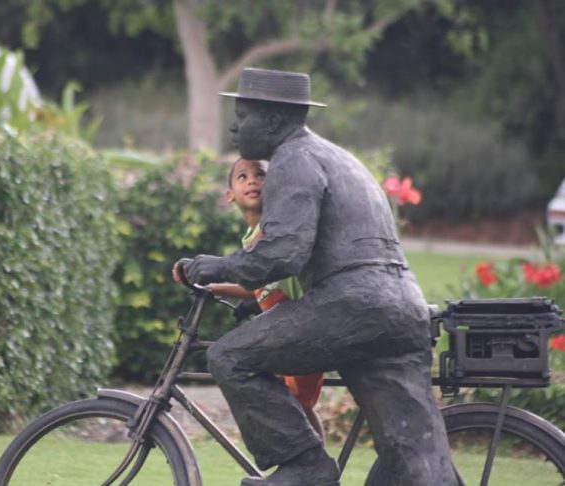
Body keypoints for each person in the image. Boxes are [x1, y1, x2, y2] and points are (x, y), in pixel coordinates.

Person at [181, 68, 457, 485]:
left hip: (353, 304)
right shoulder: (339, 158)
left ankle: (305, 466)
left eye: (243, 114)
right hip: (398, 310)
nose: (235, 126)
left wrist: (221, 265)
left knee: (229, 356)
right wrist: (258, 300)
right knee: (413, 456)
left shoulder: (294, 159)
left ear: (273, 121)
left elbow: (284, 253)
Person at [175, 157, 326, 441]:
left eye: (261, 174)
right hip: (285, 328)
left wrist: (219, 272)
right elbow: (259, 284)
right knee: (295, 406)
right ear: (230, 194)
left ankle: (313, 470)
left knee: (295, 405)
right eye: (242, 176)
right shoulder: (253, 236)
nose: (252, 180)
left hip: (301, 331)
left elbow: (257, 273)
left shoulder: (272, 232)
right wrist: (217, 288)